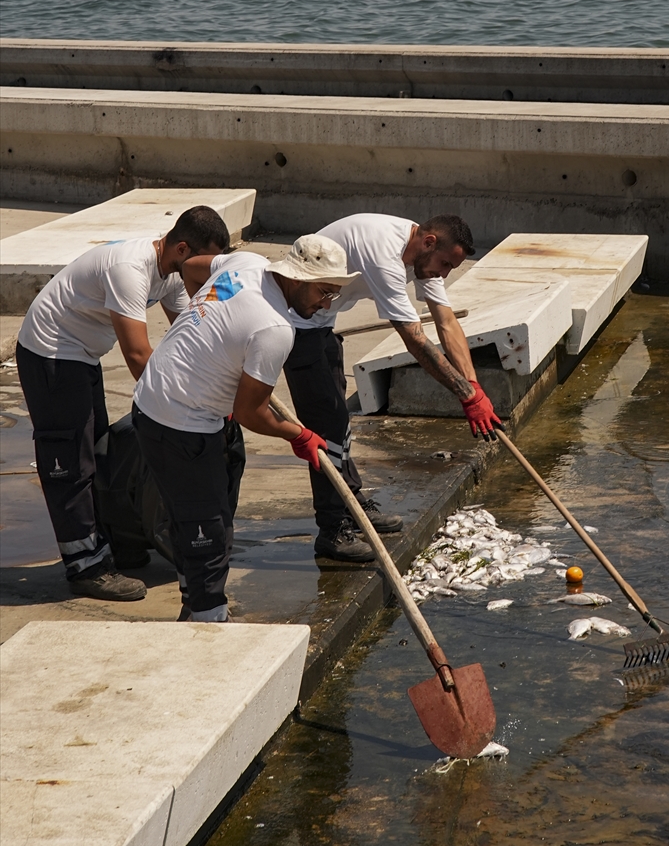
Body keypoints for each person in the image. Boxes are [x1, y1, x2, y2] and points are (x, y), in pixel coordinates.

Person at [132, 235, 358, 622]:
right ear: (297, 279)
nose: (325, 304)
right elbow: (251, 412)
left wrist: (209, 336)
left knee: (189, 516)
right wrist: (298, 435)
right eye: (323, 292)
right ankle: (209, 620)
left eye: (333, 295)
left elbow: (191, 267)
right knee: (209, 531)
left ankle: (193, 603)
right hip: (183, 421)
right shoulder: (274, 329)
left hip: (151, 399)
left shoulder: (247, 264)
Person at [15, 205, 230, 602]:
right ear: (182, 248)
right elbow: (138, 355)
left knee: (99, 449)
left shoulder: (170, 273)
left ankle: (111, 539)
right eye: (205, 263)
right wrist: (175, 411)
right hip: (51, 353)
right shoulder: (130, 269)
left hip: (82, 353)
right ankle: (86, 567)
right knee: (69, 464)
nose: (207, 274)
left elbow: (190, 334)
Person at [284, 213, 502, 563]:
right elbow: (415, 341)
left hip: (321, 321)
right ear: (429, 242)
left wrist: (474, 387)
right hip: (293, 323)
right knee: (325, 429)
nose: (443, 274)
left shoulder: (423, 254)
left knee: (339, 424)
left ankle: (351, 503)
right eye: (445, 264)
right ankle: (332, 531)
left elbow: (446, 322)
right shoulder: (383, 252)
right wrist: (464, 395)